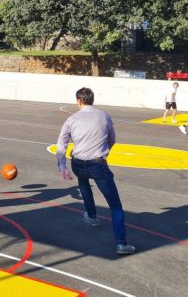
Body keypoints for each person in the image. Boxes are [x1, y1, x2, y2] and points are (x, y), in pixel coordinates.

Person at [56, 87, 135, 255]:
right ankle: (121, 243)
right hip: (98, 164)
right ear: (92, 100)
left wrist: (62, 166)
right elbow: (112, 140)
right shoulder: (104, 116)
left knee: (83, 181)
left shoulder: (71, 119)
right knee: (115, 205)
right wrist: (104, 151)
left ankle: (92, 216)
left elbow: (61, 144)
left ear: (79, 101)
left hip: (78, 163)